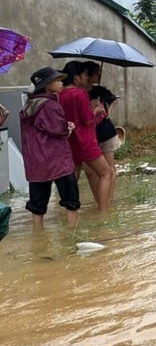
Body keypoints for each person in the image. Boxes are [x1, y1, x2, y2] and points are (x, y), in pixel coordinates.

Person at [20, 67, 80, 227]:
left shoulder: (29, 104)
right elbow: (59, 131)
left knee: (37, 205)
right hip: (57, 160)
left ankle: (38, 236)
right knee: (70, 200)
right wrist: (69, 128)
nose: (61, 83)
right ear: (47, 85)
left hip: (36, 163)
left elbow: (42, 128)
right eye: (57, 80)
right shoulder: (50, 105)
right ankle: (72, 233)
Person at [58, 61, 115, 212]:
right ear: (76, 77)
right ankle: (104, 212)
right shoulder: (80, 94)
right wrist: (95, 110)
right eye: (85, 74)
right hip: (85, 141)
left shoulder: (59, 95)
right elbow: (87, 119)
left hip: (70, 142)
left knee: (72, 178)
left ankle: (70, 212)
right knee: (106, 173)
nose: (87, 77)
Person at [82, 61, 121, 208]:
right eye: (96, 72)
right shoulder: (80, 93)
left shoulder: (101, 91)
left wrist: (107, 111)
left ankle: (107, 202)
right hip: (89, 134)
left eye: (99, 72)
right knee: (91, 172)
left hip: (105, 131)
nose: (99, 74)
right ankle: (99, 201)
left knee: (109, 168)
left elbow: (115, 99)